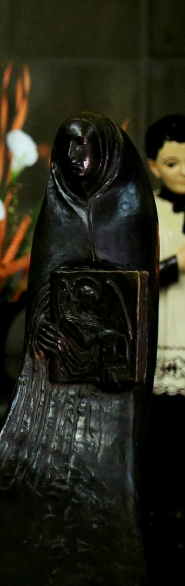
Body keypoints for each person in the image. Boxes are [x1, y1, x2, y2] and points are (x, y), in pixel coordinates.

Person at [143, 113, 185, 577]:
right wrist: (177, 263)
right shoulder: (149, 211)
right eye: (173, 162)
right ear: (154, 166)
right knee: (165, 432)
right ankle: (160, 514)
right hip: (168, 333)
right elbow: (137, 274)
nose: (184, 171)